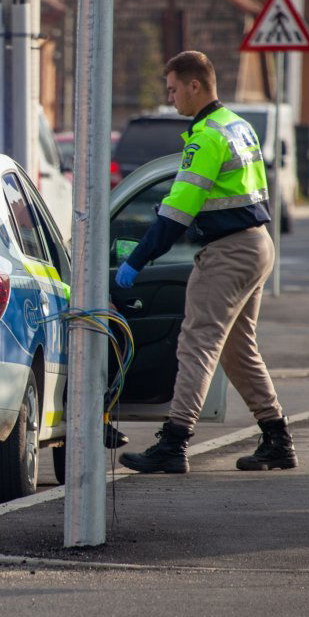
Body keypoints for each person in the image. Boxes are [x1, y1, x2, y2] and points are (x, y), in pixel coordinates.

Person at [113, 51, 295, 474]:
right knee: (237, 349)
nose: (171, 96)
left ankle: (174, 443)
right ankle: (277, 439)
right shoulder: (239, 126)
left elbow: (177, 213)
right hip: (256, 244)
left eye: (174, 88)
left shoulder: (206, 137)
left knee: (196, 343)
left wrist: (137, 261)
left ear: (196, 86)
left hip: (228, 252)